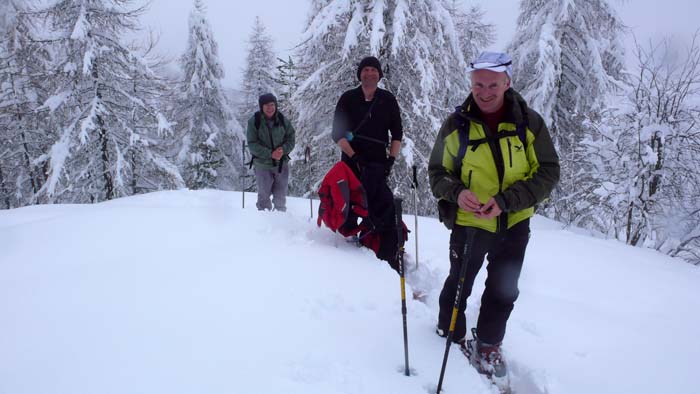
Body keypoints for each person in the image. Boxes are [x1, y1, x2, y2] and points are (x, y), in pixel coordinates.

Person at [428, 52, 560, 379]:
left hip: (514, 223)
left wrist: (507, 200)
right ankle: (450, 332)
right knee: (460, 283)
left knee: (504, 289)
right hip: (470, 225)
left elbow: (548, 171)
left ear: (507, 83)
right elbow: (437, 173)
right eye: (478, 84)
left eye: (492, 84)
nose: (485, 92)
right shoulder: (456, 125)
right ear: (470, 84)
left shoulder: (529, 123)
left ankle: (488, 343)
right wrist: (458, 193)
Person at [331, 56, 403, 268]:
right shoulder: (348, 98)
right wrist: (354, 156)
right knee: (352, 206)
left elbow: (397, 133)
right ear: (359, 74)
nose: (369, 73)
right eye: (365, 70)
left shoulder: (387, 99)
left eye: (373, 70)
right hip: (351, 164)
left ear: (379, 74)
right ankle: (351, 256)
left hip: (378, 164)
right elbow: (337, 133)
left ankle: (386, 252)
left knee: (382, 205)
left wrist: (391, 160)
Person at [246, 93, 295, 212]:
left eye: (272, 104)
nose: (270, 108)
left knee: (280, 196)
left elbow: (291, 138)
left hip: (281, 164)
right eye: (267, 105)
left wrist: (283, 150)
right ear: (261, 107)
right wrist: (270, 153)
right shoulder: (255, 121)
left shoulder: (283, 120)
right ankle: (264, 223)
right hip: (262, 165)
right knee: (263, 197)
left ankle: (280, 220)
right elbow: (252, 144)